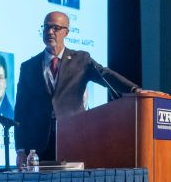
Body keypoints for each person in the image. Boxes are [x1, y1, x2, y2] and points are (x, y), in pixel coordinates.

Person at [15, 11, 139, 162]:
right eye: (46, 27)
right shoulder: (29, 66)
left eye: (55, 28)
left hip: (74, 137)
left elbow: (105, 75)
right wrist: (20, 149)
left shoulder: (81, 60)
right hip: (38, 145)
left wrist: (134, 90)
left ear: (66, 32)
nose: (49, 32)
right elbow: (21, 111)